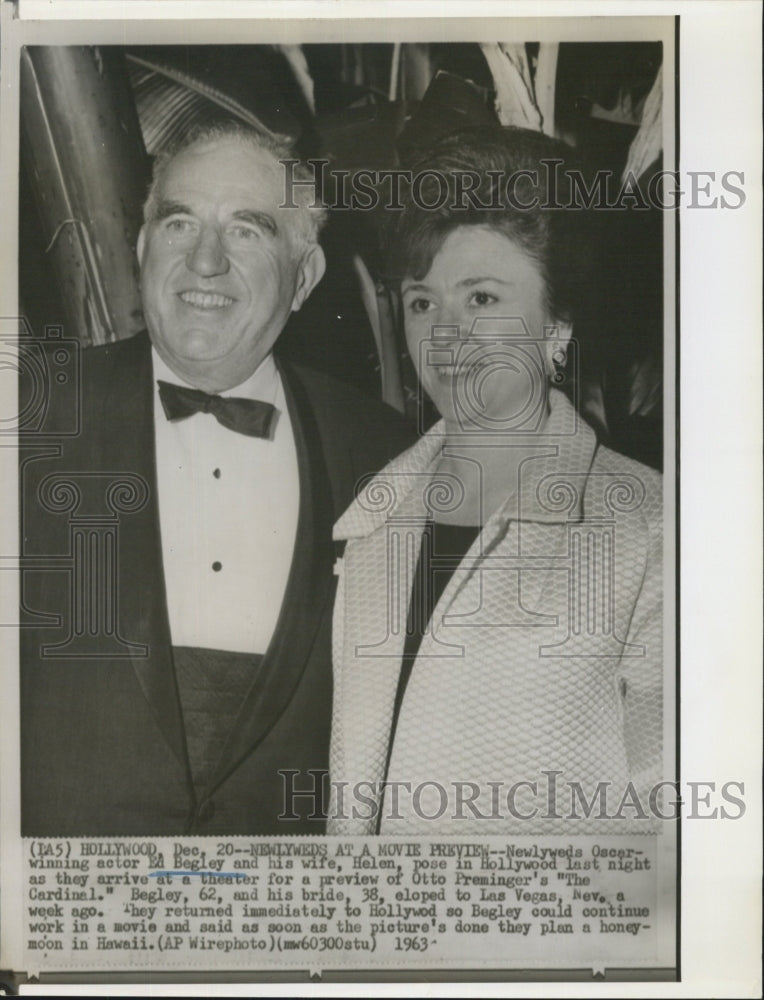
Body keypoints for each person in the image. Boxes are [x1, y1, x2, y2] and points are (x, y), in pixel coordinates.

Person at [19, 122, 413, 836]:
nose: (204, 261)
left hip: (275, 920)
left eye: (247, 231)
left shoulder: (386, 455)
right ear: (141, 250)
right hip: (58, 911)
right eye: (179, 223)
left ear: (305, 277)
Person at [327, 126, 663, 835]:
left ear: (557, 326)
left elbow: (674, 838)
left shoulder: (649, 529)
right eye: (423, 302)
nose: (443, 337)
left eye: (480, 299)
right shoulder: (372, 523)